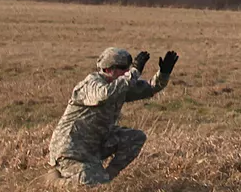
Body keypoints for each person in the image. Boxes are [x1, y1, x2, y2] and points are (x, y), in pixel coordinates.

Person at [48, 47, 177, 186]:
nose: (127, 72)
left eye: (128, 68)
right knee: (88, 184)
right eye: (123, 68)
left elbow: (148, 88)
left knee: (135, 137)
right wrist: (134, 72)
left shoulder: (119, 85)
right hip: (71, 151)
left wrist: (163, 74)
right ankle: (53, 182)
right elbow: (104, 95)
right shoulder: (91, 84)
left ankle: (106, 178)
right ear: (108, 69)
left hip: (94, 146)